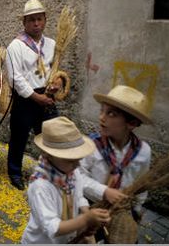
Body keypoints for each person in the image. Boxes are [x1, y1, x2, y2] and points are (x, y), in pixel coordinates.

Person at [22, 116, 111, 244]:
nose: (77, 165)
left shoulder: (73, 172)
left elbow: (79, 198)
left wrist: (89, 214)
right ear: (49, 155)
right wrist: (85, 219)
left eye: (78, 159)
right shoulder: (40, 186)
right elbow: (52, 227)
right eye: (70, 160)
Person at [79, 85, 152, 240]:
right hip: (91, 207)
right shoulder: (91, 145)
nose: (102, 118)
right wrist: (104, 191)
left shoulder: (143, 151)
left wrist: (137, 208)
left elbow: (141, 184)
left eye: (111, 114)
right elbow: (78, 178)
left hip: (120, 211)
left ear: (131, 123)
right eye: (102, 111)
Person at [5, 0, 58, 191]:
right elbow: (15, 78)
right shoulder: (16, 46)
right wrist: (36, 97)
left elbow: (54, 70)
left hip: (47, 95)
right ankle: (15, 172)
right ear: (24, 23)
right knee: (19, 137)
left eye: (39, 19)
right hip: (25, 99)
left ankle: (51, 172)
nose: (36, 24)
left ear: (45, 20)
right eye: (31, 20)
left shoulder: (51, 44)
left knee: (51, 137)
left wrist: (56, 84)